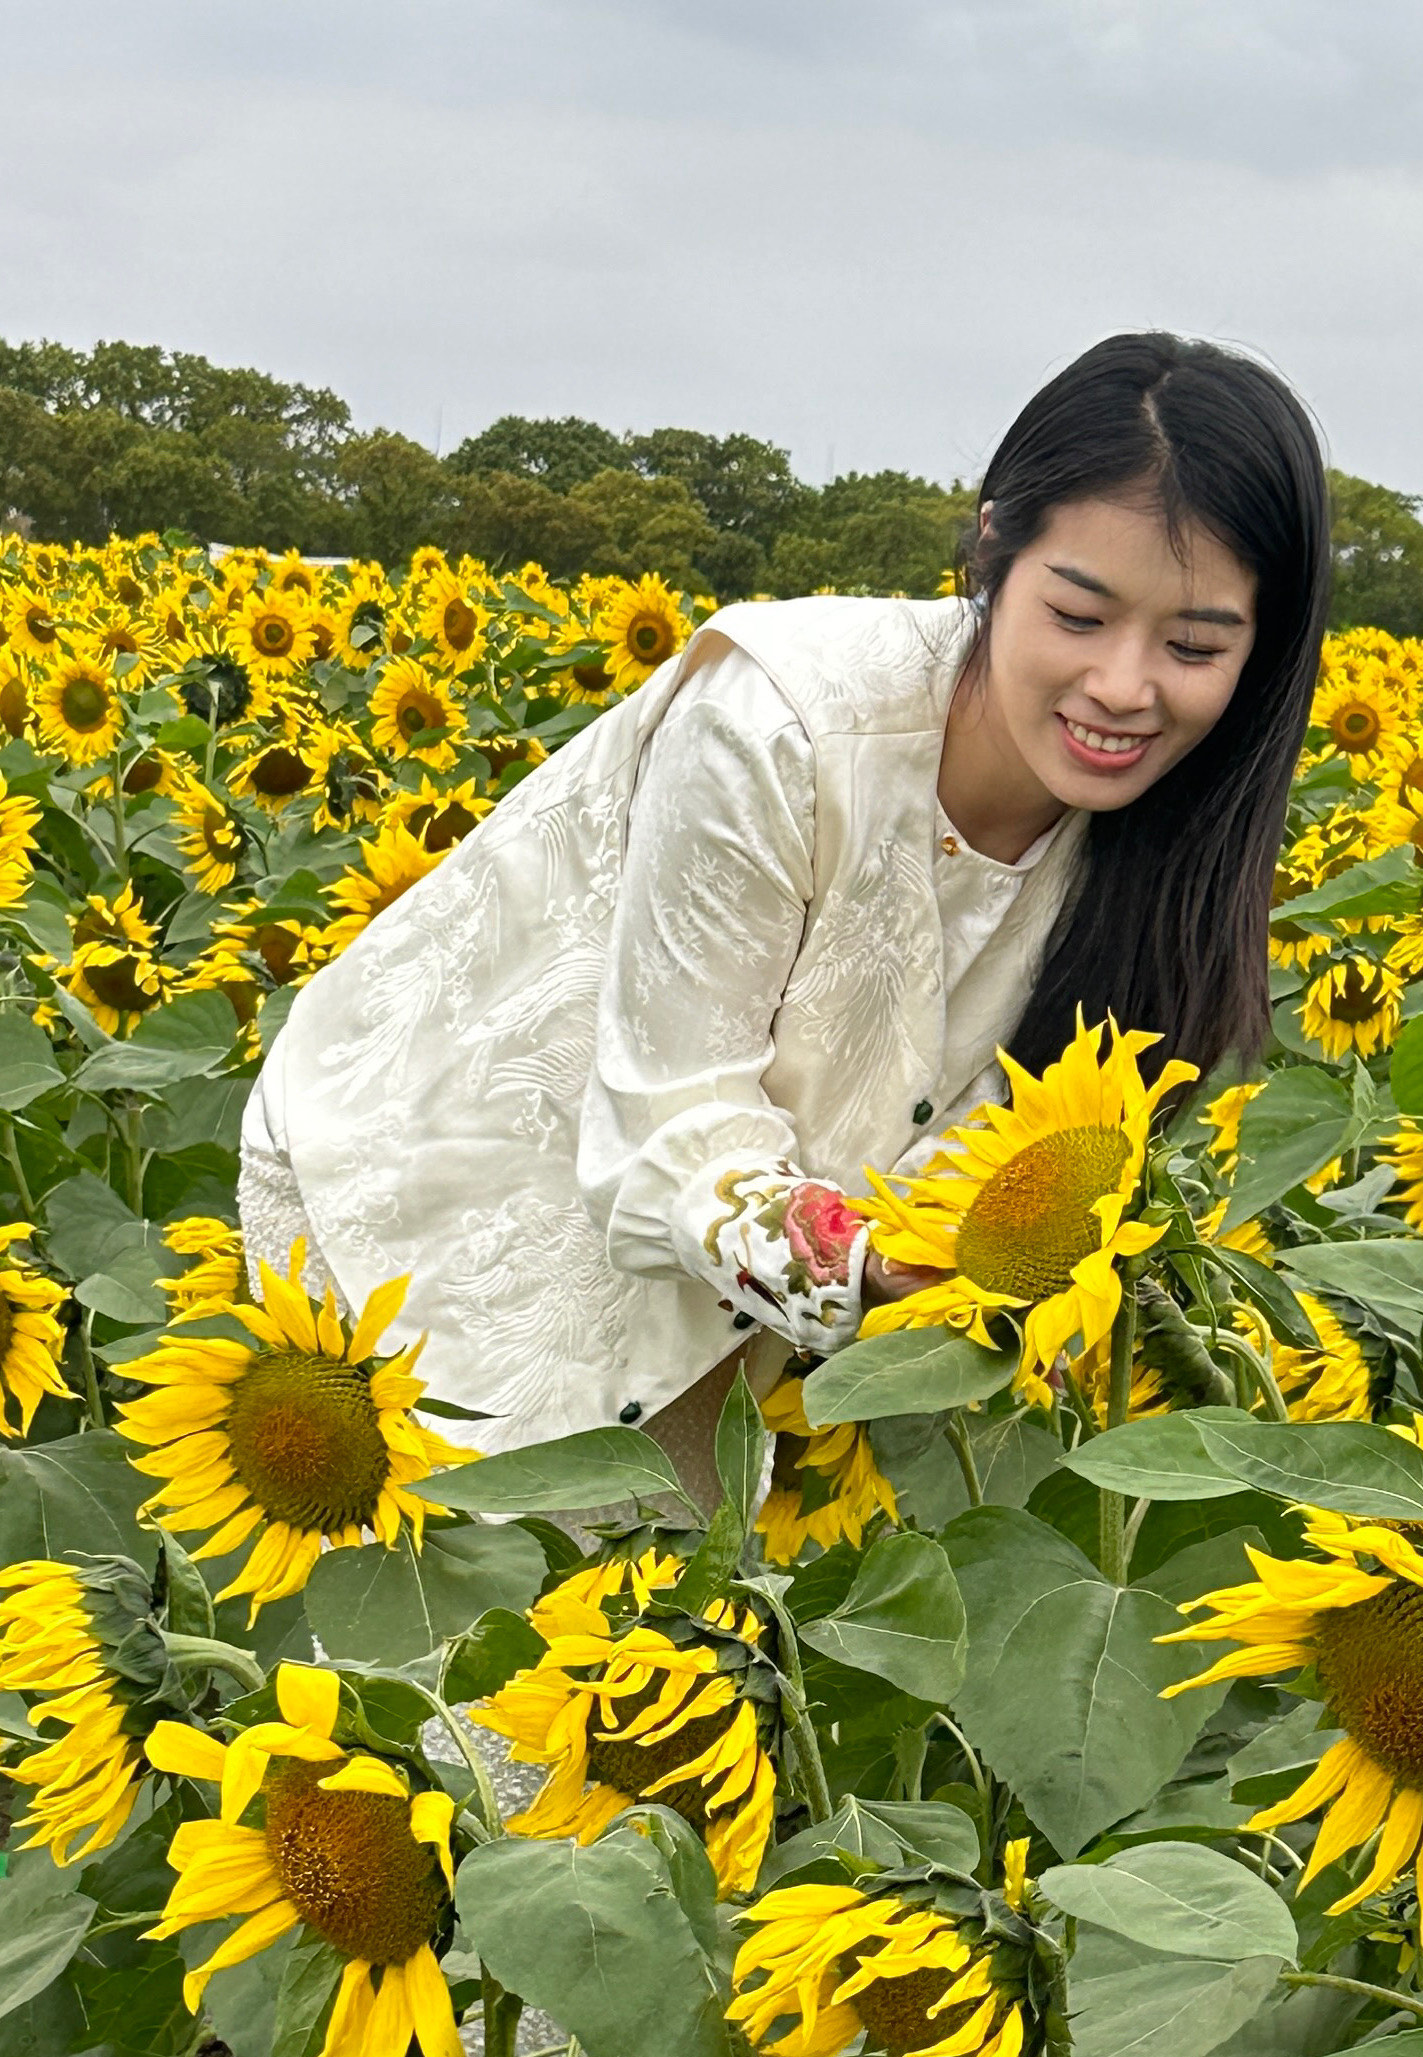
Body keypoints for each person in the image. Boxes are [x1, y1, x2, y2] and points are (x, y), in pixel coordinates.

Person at [241, 330, 1330, 1492]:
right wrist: (867, 1268)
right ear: (991, 552)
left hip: (724, 1319)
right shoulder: (780, 722)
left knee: (649, 1648)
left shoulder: (1171, 851)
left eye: (1193, 645)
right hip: (421, 1209)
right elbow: (670, 1123)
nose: (1123, 685)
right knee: (429, 1644)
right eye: (1077, 616)